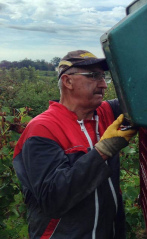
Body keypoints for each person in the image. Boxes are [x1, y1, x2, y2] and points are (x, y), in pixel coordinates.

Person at [12, 50, 137, 238]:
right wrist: (102, 151)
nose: (103, 85)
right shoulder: (42, 129)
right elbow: (53, 199)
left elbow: (141, 99)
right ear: (68, 81)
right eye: (94, 76)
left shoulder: (104, 113)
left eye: (103, 77)